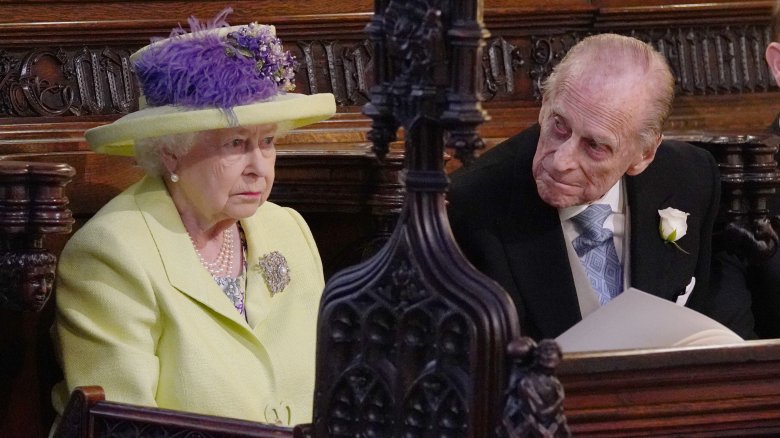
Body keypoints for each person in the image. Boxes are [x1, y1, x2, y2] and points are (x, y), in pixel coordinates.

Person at [50, 8, 336, 427]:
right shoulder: (111, 253)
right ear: (171, 152)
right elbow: (125, 429)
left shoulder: (287, 230)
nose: (260, 166)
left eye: (268, 141)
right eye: (237, 143)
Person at [447, 33, 742, 340]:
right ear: (545, 104)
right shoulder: (472, 204)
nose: (561, 161)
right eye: (559, 125)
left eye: (595, 146)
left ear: (644, 155)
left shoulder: (690, 178)